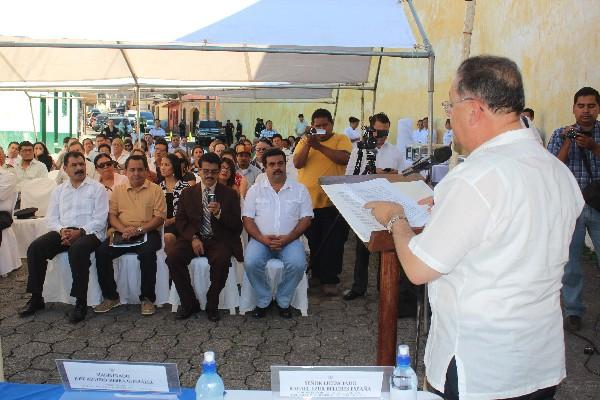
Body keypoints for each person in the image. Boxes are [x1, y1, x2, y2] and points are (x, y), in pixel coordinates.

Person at [367, 55, 583, 400]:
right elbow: (515, 233)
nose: (448, 117)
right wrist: (449, 211)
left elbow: (419, 269)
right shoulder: (555, 171)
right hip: (538, 358)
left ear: (473, 109)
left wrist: (396, 219)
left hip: (481, 364)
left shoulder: (474, 178)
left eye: (449, 105)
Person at [18, 151, 108, 323]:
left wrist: (80, 232)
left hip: (90, 233)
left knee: (78, 249)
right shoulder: (59, 190)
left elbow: (100, 219)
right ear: (65, 169)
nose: (79, 168)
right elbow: (51, 218)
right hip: (64, 231)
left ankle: (80, 301)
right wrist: (62, 231)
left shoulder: (97, 188)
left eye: (81, 164)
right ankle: (37, 297)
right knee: (35, 248)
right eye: (74, 165)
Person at [165, 152, 243, 321]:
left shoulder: (229, 194)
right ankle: (189, 302)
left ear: (219, 172)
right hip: (193, 238)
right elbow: (180, 221)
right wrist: (193, 238)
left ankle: (212, 301)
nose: (209, 175)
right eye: (205, 171)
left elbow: (237, 226)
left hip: (218, 239)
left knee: (222, 260)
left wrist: (220, 214)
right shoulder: (188, 193)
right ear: (198, 171)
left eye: (214, 171)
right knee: (173, 258)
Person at [547, 86, 600, 332]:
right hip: (572, 207)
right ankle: (573, 310)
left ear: (598, 108)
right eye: (582, 106)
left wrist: (594, 147)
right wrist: (569, 143)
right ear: (574, 108)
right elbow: (550, 169)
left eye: (591, 106)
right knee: (572, 264)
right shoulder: (560, 134)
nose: (586, 111)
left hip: (598, 206)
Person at [243, 148, 313, 318]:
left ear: (285, 164)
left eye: (280, 163)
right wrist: (262, 239)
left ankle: (283, 300)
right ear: (264, 167)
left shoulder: (300, 189)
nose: (277, 168)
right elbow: (247, 219)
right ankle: (264, 298)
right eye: (272, 164)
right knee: (251, 262)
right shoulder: (255, 190)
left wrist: (288, 238)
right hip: (261, 240)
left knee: (298, 264)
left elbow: (306, 218)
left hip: (290, 240)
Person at [94, 155, 166, 316]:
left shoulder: (156, 190)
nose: (136, 173)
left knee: (147, 253)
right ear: (125, 172)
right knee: (102, 252)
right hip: (123, 231)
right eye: (132, 170)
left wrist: (139, 230)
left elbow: (159, 218)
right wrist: (124, 229)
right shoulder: (118, 190)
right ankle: (111, 297)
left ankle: (147, 298)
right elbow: (112, 216)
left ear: (147, 171)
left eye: (140, 169)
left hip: (147, 231)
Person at [343, 112, 405, 301]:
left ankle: (384, 287)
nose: (381, 137)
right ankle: (358, 287)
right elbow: (348, 176)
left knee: (386, 248)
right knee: (362, 249)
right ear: (370, 130)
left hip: (388, 206)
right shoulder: (358, 150)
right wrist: (372, 173)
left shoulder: (395, 151)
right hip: (365, 204)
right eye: (378, 132)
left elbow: (403, 176)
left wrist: (392, 174)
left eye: (385, 133)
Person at [293, 108, 351, 295]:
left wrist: (319, 147)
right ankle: (317, 275)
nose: (321, 129)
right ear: (312, 126)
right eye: (317, 126)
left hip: (333, 201)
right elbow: (297, 163)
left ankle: (331, 279)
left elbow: (344, 159)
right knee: (315, 240)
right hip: (309, 202)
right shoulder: (305, 141)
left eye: (325, 125)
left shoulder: (341, 139)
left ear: (332, 124)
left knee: (333, 242)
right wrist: (310, 144)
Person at [160, 153, 190, 254]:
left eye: (166, 165)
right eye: (162, 164)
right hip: (160, 222)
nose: (163, 167)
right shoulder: (158, 187)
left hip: (179, 223)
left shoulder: (185, 187)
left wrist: (171, 221)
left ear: (174, 167)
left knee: (168, 238)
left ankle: (170, 267)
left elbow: (187, 211)